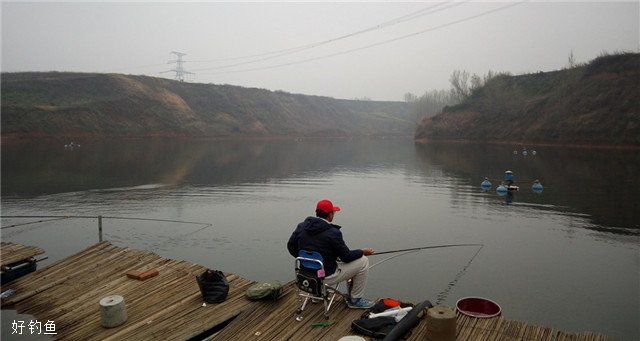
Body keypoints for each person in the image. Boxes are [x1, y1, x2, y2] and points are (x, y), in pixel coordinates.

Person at [287, 199, 376, 309]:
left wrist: (306, 259)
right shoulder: (333, 232)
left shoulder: (301, 226)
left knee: (322, 262)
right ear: (330, 215)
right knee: (363, 261)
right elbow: (346, 257)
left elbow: (290, 247)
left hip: (305, 274)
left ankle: (317, 293)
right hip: (325, 276)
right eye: (333, 212)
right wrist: (362, 251)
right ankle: (355, 300)